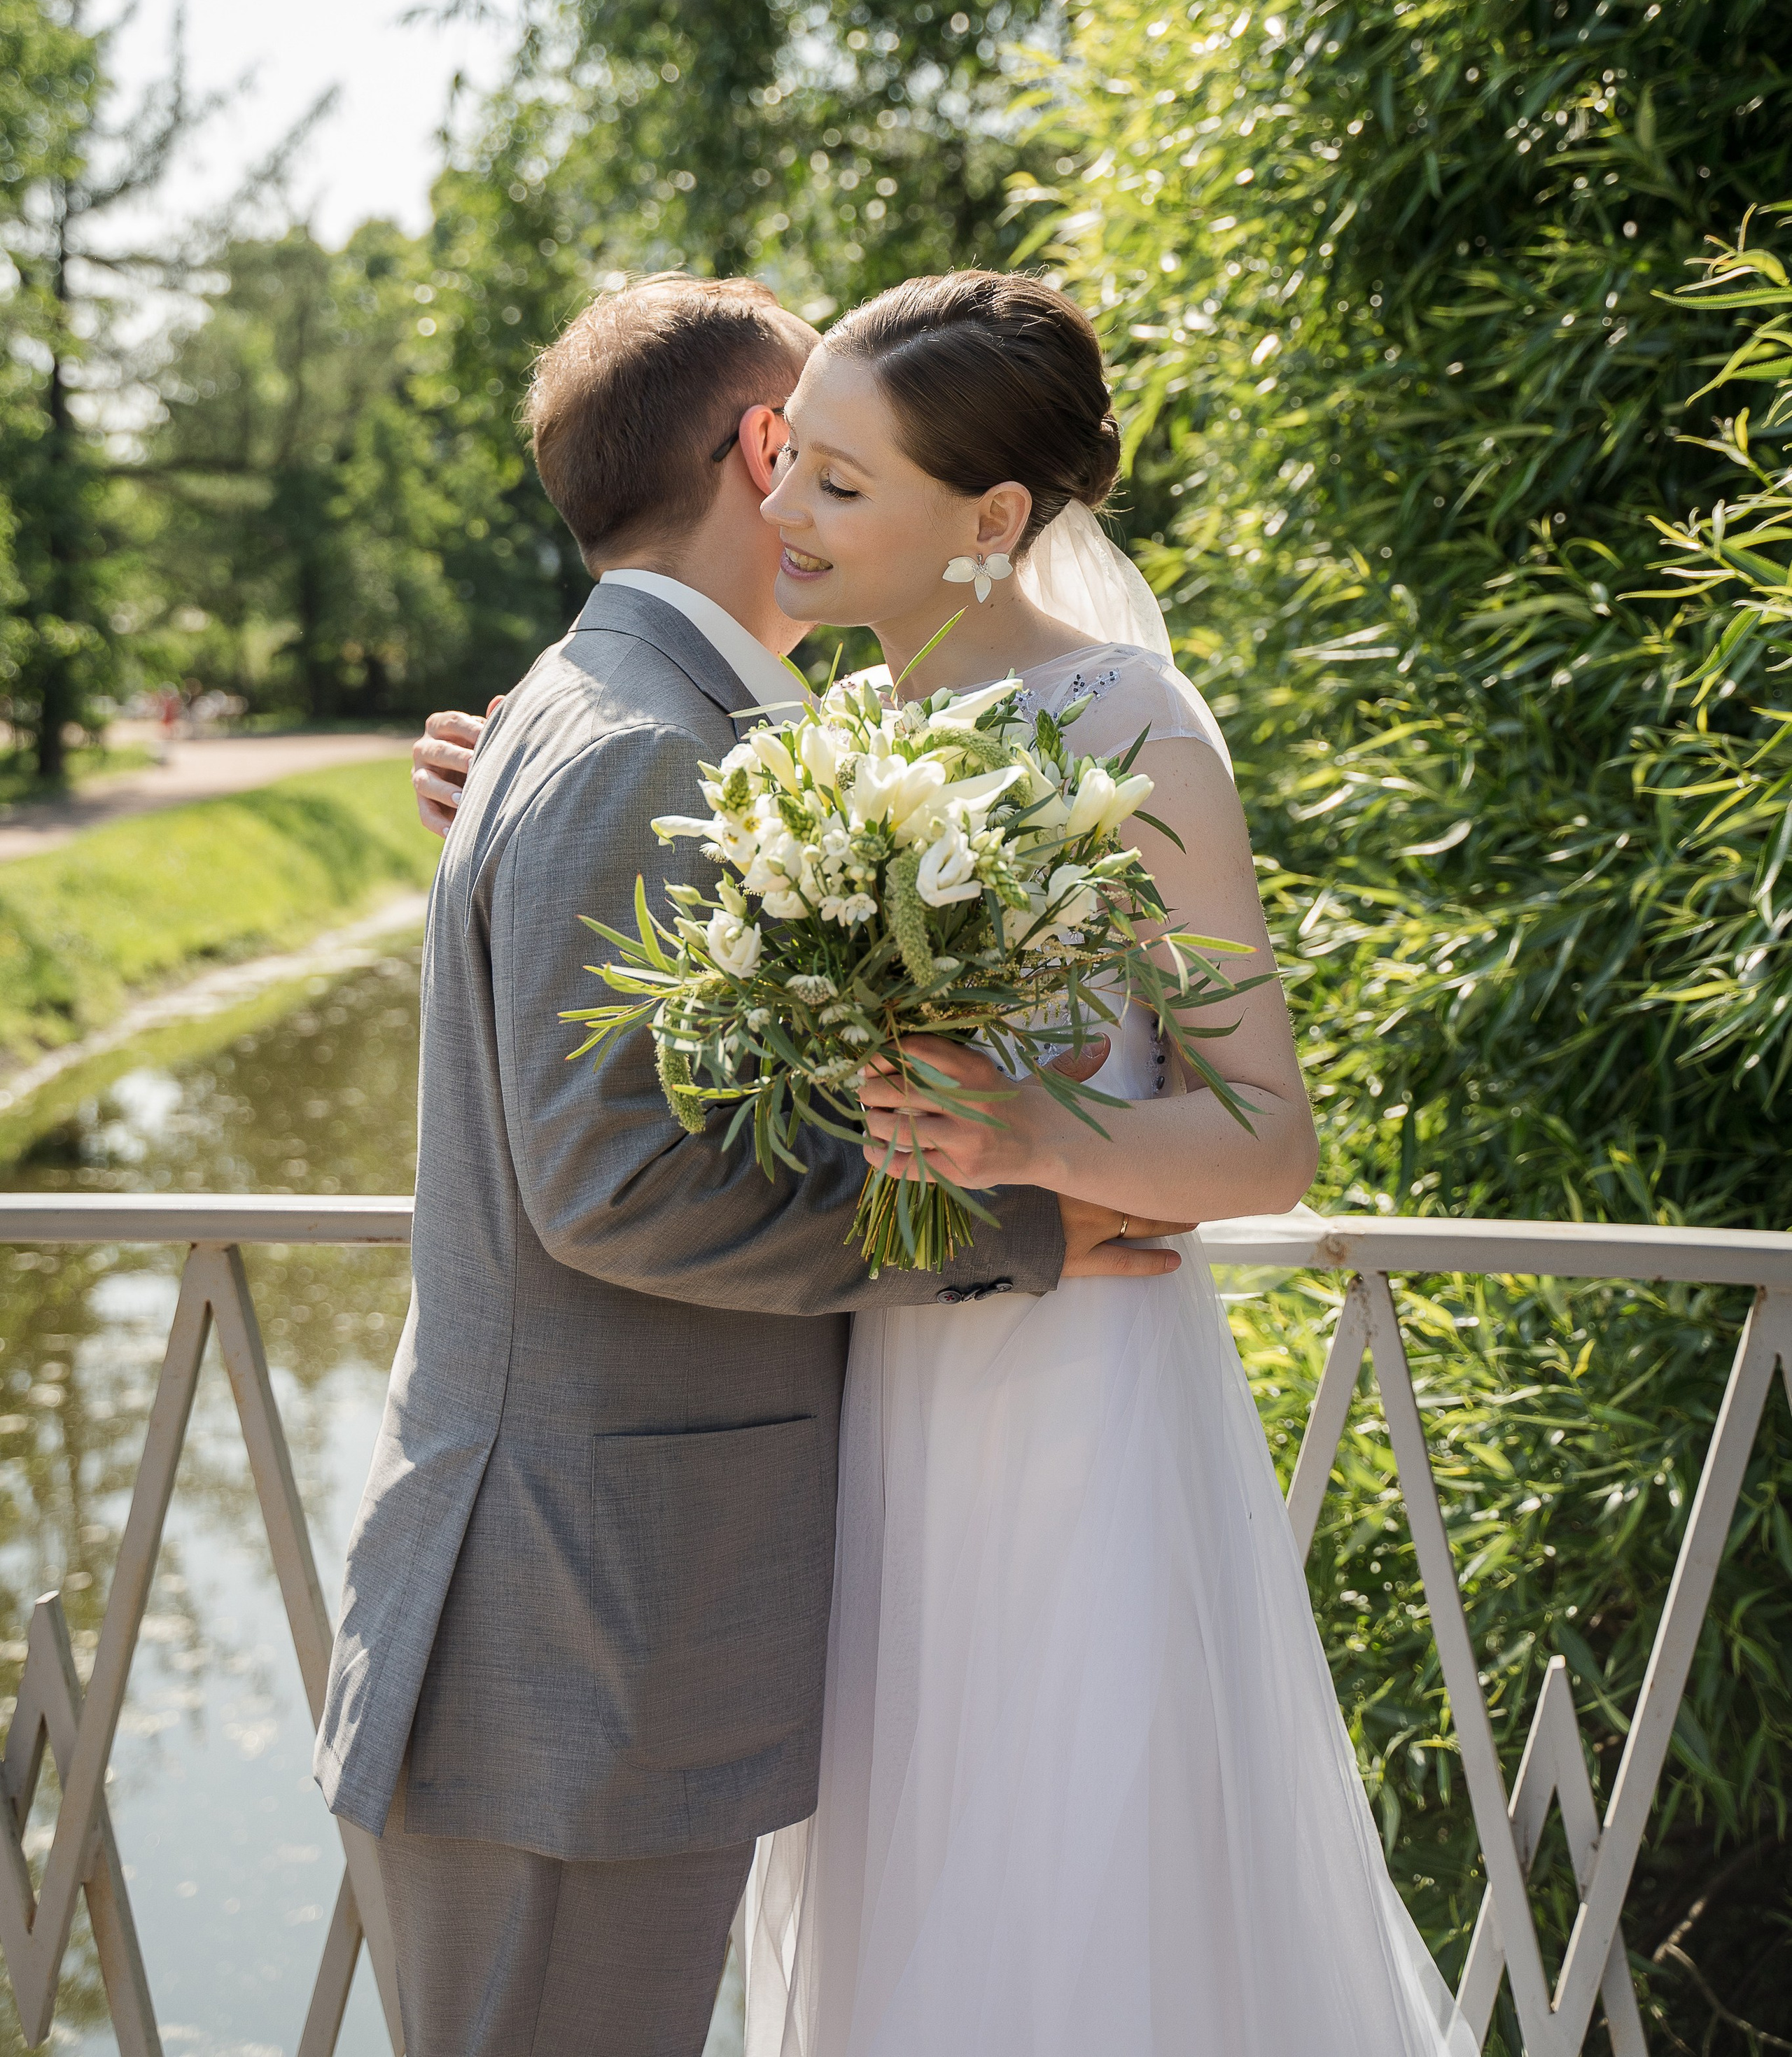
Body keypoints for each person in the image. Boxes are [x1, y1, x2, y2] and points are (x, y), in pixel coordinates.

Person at [416, 269, 1472, 2055]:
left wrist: (1037, 1143)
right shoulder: (800, 743)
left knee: (1069, 1892)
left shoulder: (1134, 729)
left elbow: (1266, 1136)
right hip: (861, 1417)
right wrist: (504, 800)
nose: (784, 508)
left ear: (988, 522)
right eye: (789, 465)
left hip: (1070, 1407)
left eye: (838, 480)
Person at [326, 273, 1170, 2057]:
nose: (835, 496)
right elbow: (615, 1192)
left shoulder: (650, 726)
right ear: (764, 448)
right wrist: (1013, 1224)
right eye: (831, 451)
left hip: (597, 1630)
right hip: (569, 1648)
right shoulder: (638, 749)